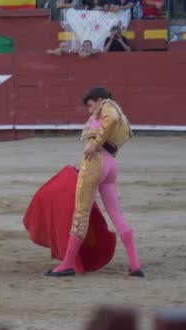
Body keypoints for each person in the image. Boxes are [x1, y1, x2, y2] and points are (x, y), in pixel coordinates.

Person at [45, 87, 144, 277]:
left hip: (95, 162)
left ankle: (67, 264)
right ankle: (135, 265)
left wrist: (97, 143)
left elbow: (111, 118)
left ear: (99, 100)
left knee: (81, 213)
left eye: (91, 105)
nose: (90, 110)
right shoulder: (120, 113)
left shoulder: (107, 106)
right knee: (117, 215)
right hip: (110, 165)